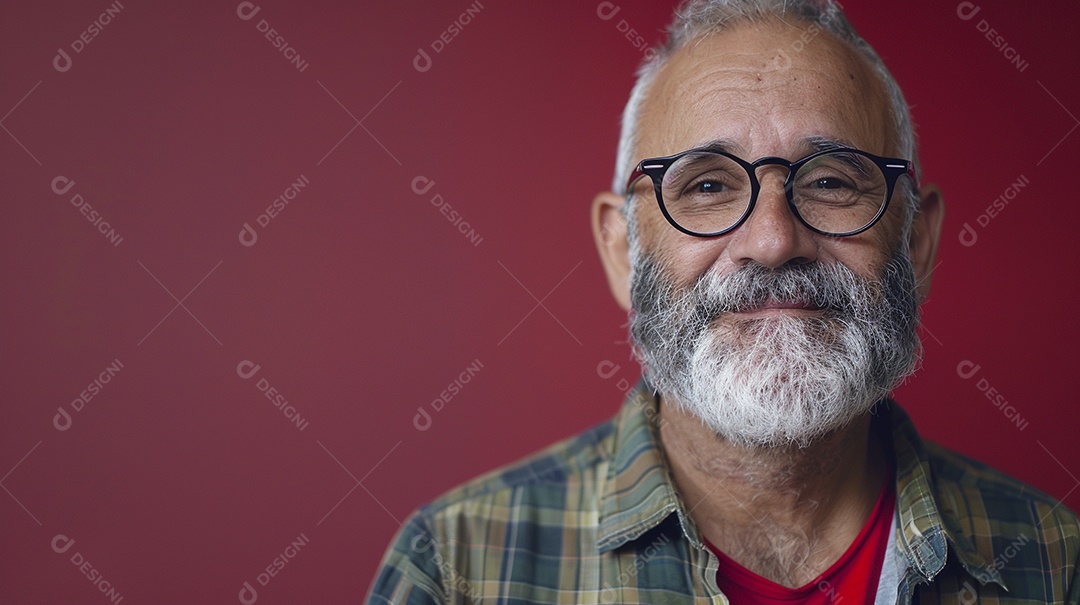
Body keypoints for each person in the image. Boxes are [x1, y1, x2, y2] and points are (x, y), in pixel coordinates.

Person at [367, 1, 1079, 602]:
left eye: (831, 181)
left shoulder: (1055, 559)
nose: (773, 240)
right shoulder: (456, 568)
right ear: (623, 248)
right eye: (706, 186)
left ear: (916, 245)